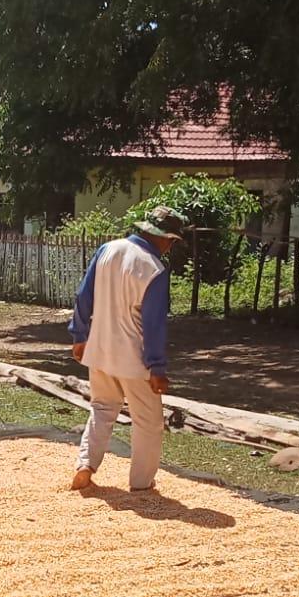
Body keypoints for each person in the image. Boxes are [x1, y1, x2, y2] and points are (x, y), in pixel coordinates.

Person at [68, 206, 188, 493]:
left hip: (100, 348)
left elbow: (84, 296)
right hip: (134, 357)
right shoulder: (154, 269)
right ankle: (141, 484)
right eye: (171, 241)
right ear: (165, 238)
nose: (170, 247)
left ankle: (85, 465)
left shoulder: (108, 249)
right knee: (148, 422)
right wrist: (157, 367)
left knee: (102, 408)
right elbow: (153, 324)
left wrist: (79, 335)